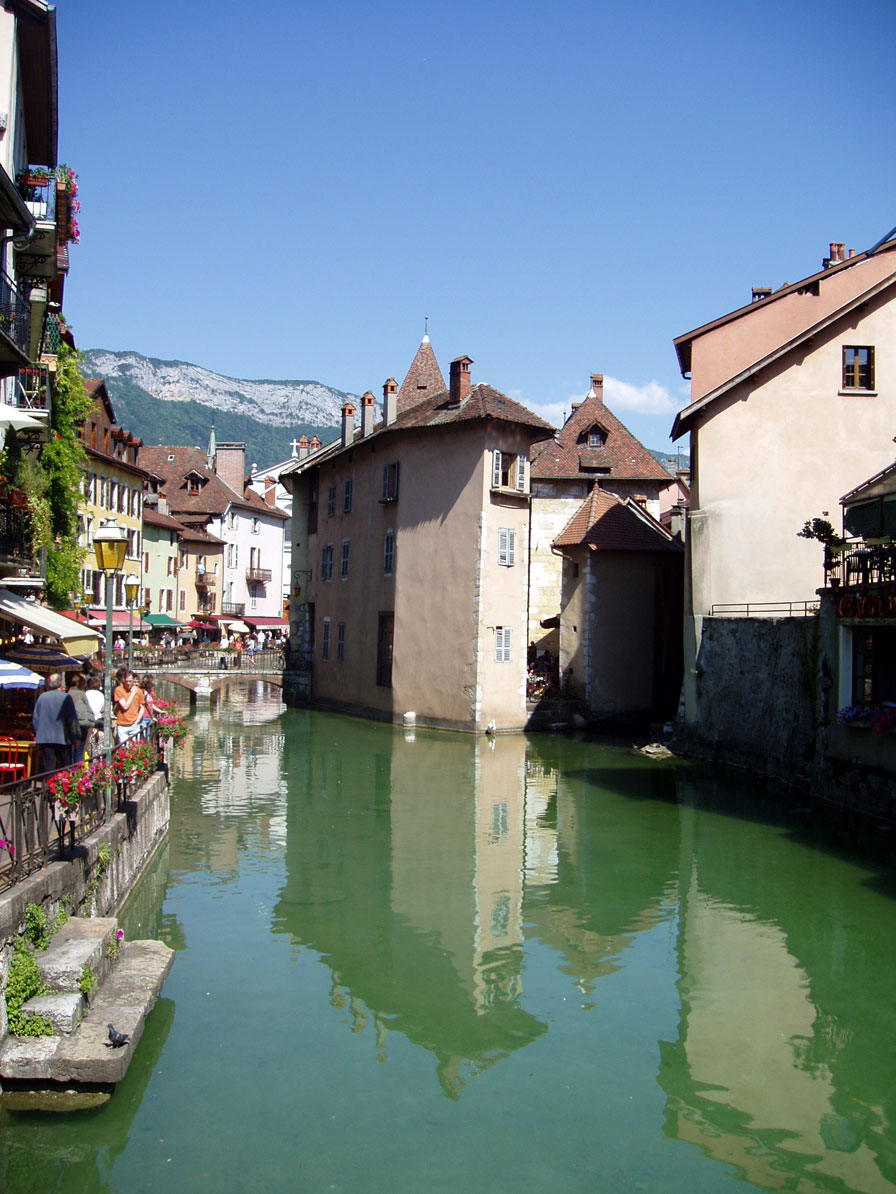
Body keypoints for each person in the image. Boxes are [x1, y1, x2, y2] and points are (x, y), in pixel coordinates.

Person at [32, 673, 79, 773]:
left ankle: (51, 782)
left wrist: (37, 734)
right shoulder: (66, 697)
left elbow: (36, 719)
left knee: (49, 766)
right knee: (65, 766)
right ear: (60, 683)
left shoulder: (42, 697)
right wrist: (76, 737)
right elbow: (72, 719)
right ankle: (63, 782)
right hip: (63, 738)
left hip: (46, 738)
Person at [66, 673, 95, 764]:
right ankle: (78, 770)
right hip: (81, 724)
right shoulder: (81, 694)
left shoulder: (67, 693)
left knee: (70, 750)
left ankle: (69, 769)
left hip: (69, 725)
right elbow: (88, 708)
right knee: (79, 750)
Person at [113, 671, 145, 744]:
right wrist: (132, 694)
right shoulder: (119, 690)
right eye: (126, 681)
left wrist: (137, 720)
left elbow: (142, 707)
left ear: (133, 680)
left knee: (134, 747)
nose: (128, 683)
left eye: (130, 681)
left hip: (134, 724)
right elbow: (125, 706)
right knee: (124, 747)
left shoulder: (139, 691)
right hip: (122, 725)